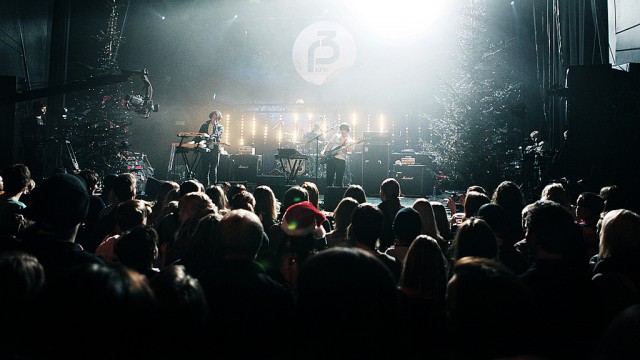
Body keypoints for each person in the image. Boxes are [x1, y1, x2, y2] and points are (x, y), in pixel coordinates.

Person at [321, 122, 356, 189]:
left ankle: (338, 197)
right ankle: (328, 195)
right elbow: (328, 145)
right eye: (341, 129)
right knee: (329, 179)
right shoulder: (336, 136)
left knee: (339, 180)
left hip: (341, 160)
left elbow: (350, 152)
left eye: (344, 130)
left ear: (348, 130)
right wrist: (323, 152)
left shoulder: (351, 141)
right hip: (331, 159)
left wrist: (345, 151)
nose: (342, 131)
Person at [194, 110, 224, 186]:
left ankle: (213, 187)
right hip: (205, 149)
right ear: (211, 117)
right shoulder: (204, 125)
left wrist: (208, 137)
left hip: (214, 149)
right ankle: (205, 186)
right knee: (205, 169)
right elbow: (199, 135)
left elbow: (217, 134)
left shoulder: (220, 127)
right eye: (214, 117)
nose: (215, 119)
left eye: (217, 118)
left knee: (213, 170)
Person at [20, 102, 47, 183]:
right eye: (43, 108)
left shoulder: (43, 120)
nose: (44, 111)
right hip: (31, 148)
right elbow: (24, 133)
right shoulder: (28, 120)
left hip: (39, 147)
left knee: (39, 165)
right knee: (31, 165)